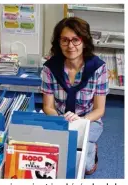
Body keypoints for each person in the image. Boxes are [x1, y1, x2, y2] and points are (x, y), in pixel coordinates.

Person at [40, 17, 109, 175]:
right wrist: (63, 121)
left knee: (84, 168)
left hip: (88, 119)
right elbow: (47, 107)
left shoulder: (98, 68)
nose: (70, 46)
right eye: (64, 40)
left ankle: (91, 147)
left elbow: (99, 109)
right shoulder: (50, 68)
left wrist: (81, 122)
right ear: (59, 42)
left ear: (84, 41)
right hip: (59, 117)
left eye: (75, 40)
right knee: (54, 159)